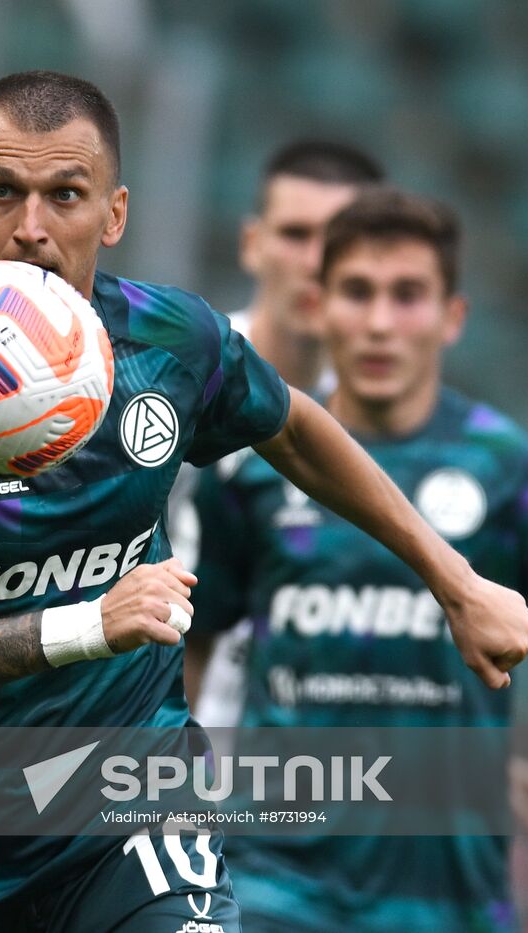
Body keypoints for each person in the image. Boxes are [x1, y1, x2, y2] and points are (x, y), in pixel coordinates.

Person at [0, 70, 528, 932]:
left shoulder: (171, 345)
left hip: (124, 796)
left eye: (66, 195)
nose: (32, 228)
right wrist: (89, 623)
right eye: (3, 192)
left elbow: (296, 428)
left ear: (113, 214)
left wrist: (454, 581)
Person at [189, 187, 528, 931]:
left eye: (408, 296)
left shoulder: (513, 473)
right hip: (274, 881)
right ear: (318, 305)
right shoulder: (254, 473)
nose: (379, 323)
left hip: (445, 893)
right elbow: (195, 649)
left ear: (452, 316)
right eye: (357, 293)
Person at [181, 139, 384, 728]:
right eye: (296, 234)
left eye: (341, 240)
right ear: (252, 244)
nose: (317, 262)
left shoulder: (388, 419)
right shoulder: (179, 379)